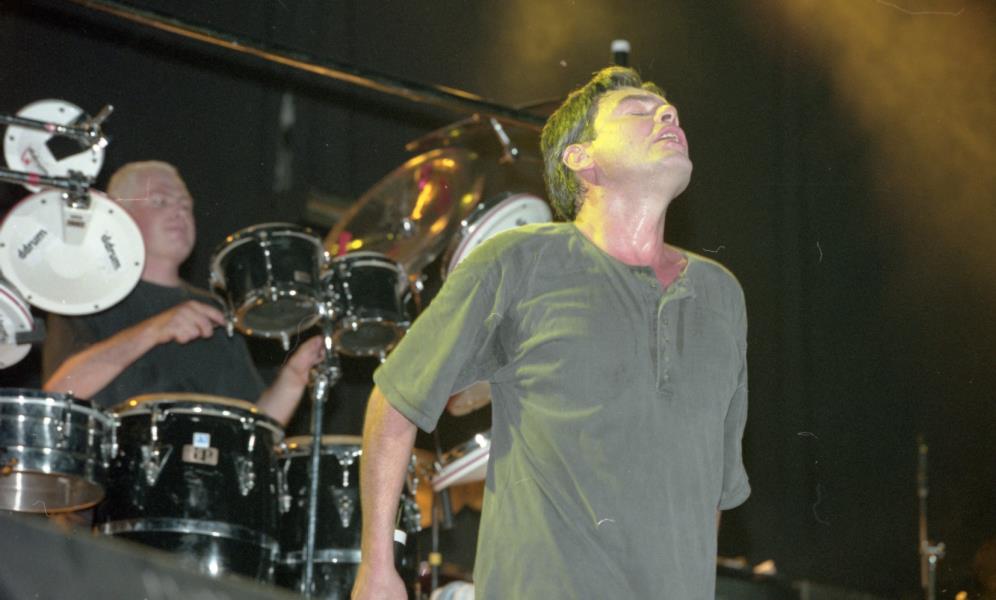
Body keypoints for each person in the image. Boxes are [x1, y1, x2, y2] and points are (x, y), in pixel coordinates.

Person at [352, 66, 750, 599]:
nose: (666, 115)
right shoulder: (519, 261)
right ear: (581, 158)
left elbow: (714, 489)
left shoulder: (722, 295)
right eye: (637, 111)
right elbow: (396, 399)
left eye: (668, 111)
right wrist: (377, 567)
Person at [42, 161, 322, 425]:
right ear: (118, 215)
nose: (179, 212)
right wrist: (154, 330)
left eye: (185, 205)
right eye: (160, 201)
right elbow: (59, 391)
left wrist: (293, 378)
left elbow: (252, 427)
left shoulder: (213, 309)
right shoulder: (87, 296)